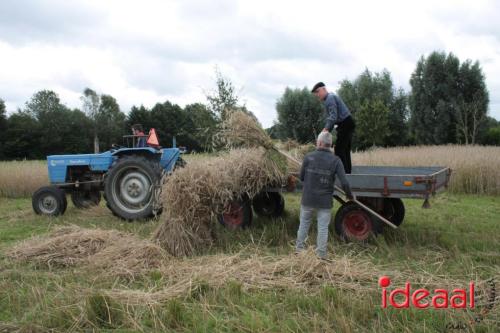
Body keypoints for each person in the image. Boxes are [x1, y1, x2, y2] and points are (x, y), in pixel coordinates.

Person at [296, 131, 354, 259]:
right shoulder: (336, 160)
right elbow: (344, 182)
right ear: (330, 145)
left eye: (317, 142)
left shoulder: (308, 157)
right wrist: (350, 196)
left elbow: (301, 178)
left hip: (308, 198)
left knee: (304, 223)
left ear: (320, 143)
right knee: (322, 228)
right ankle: (321, 255)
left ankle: (299, 250)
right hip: (325, 201)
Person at [312, 82, 355, 174]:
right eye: (316, 93)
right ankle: (348, 174)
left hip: (345, 124)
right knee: (345, 150)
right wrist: (328, 130)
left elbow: (333, 117)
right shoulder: (331, 97)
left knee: (339, 150)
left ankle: (343, 174)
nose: (317, 95)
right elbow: (333, 118)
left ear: (324, 89)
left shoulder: (329, 98)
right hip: (348, 123)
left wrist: (325, 129)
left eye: (318, 91)